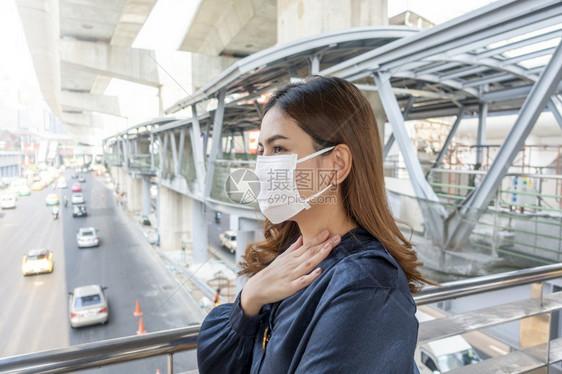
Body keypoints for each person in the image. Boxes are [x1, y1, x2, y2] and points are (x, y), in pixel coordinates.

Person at [197, 76, 432, 373]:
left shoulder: (368, 286)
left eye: (279, 149)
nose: (263, 167)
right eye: (261, 152)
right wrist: (250, 297)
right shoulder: (288, 260)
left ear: (337, 164)